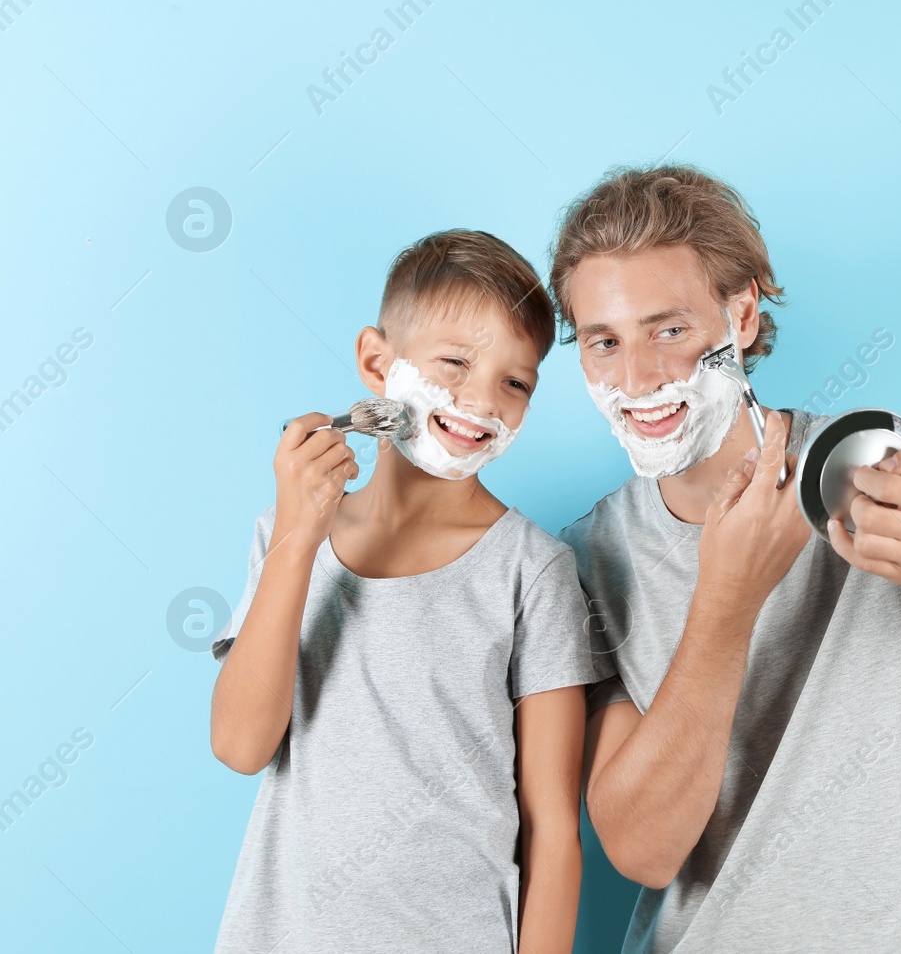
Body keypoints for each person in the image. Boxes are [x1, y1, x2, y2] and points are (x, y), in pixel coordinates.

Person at [552, 165, 901, 952]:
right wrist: (728, 596)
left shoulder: (863, 462)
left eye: (668, 329)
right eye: (603, 342)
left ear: (740, 314)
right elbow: (644, 848)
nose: (636, 377)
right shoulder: (584, 560)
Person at [208, 230, 610, 954]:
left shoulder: (533, 570)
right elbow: (241, 744)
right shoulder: (286, 534)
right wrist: (300, 538)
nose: (481, 397)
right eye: (455, 361)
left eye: (515, 383)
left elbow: (553, 825)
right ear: (376, 362)